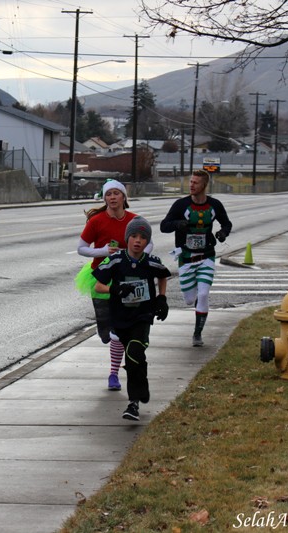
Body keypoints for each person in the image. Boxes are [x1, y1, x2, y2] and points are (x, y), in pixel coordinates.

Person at [75, 180, 154, 392]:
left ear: (123, 197)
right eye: (108, 194)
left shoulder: (134, 220)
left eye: (116, 193)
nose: (112, 197)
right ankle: (117, 351)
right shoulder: (96, 221)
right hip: (101, 278)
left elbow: (150, 243)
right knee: (105, 333)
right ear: (104, 198)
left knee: (119, 331)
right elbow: (81, 249)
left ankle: (113, 374)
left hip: (127, 279)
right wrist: (102, 251)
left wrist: (136, 256)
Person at [92, 216, 170, 421]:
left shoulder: (152, 262)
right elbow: (98, 285)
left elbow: (163, 275)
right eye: (134, 236)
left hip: (142, 317)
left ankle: (133, 403)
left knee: (134, 352)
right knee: (135, 358)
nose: (138, 241)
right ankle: (141, 388)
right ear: (127, 238)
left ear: (147, 242)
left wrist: (162, 298)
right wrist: (115, 289)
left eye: (143, 237)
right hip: (120, 318)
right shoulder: (116, 260)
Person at [160, 169, 232, 347]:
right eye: (191, 182)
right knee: (190, 299)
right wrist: (178, 224)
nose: (191, 185)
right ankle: (197, 301)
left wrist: (223, 233)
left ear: (204, 185)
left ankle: (197, 334)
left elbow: (227, 223)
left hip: (206, 256)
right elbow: (163, 226)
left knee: (204, 294)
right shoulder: (180, 205)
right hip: (185, 258)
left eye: (195, 182)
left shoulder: (215, 205)